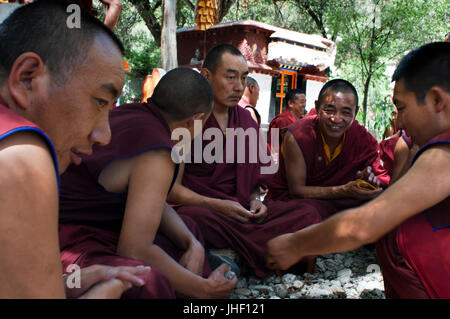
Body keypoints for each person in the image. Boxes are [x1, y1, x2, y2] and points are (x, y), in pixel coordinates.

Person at [265, 42, 450, 299]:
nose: (400, 121)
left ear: (437, 100)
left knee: (396, 230)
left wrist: (294, 245)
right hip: (302, 202)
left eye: (403, 108)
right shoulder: (296, 133)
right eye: (329, 109)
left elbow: (367, 224)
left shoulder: (444, 153)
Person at [0, 0, 150, 298]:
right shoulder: (22, 155)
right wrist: (106, 293)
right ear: (27, 78)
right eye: (99, 101)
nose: (104, 135)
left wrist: (63, 282)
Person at [58, 67, 237, 299]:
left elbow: (148, 198)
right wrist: (203, 290)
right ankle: (198, 283)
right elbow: (134, 250)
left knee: (187, 229)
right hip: (70, 240)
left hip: (97, 225)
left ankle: (191, 272)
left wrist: (193, 244)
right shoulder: (158, 152)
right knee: (149, 282)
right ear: (195, 120)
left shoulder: (132, 112)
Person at [168, 44, 324, 277]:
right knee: (189, 219)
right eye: (230, 78)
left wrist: (255, 202)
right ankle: (259, 253)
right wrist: (216, 205)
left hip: (241, 213)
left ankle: (231, 254)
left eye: (243, 78)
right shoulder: (187, 119)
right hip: (205, 210)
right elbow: (172, 191)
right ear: (207, 76)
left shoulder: (246, 122)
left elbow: (252, 184)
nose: (239, 87)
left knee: (307, 213)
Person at [267, 89, 306, 156]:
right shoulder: (281, 120)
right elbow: (272, 146)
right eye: (302, 102)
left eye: (305, 102)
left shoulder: (303, 121)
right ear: (290, 103)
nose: (304, 105)